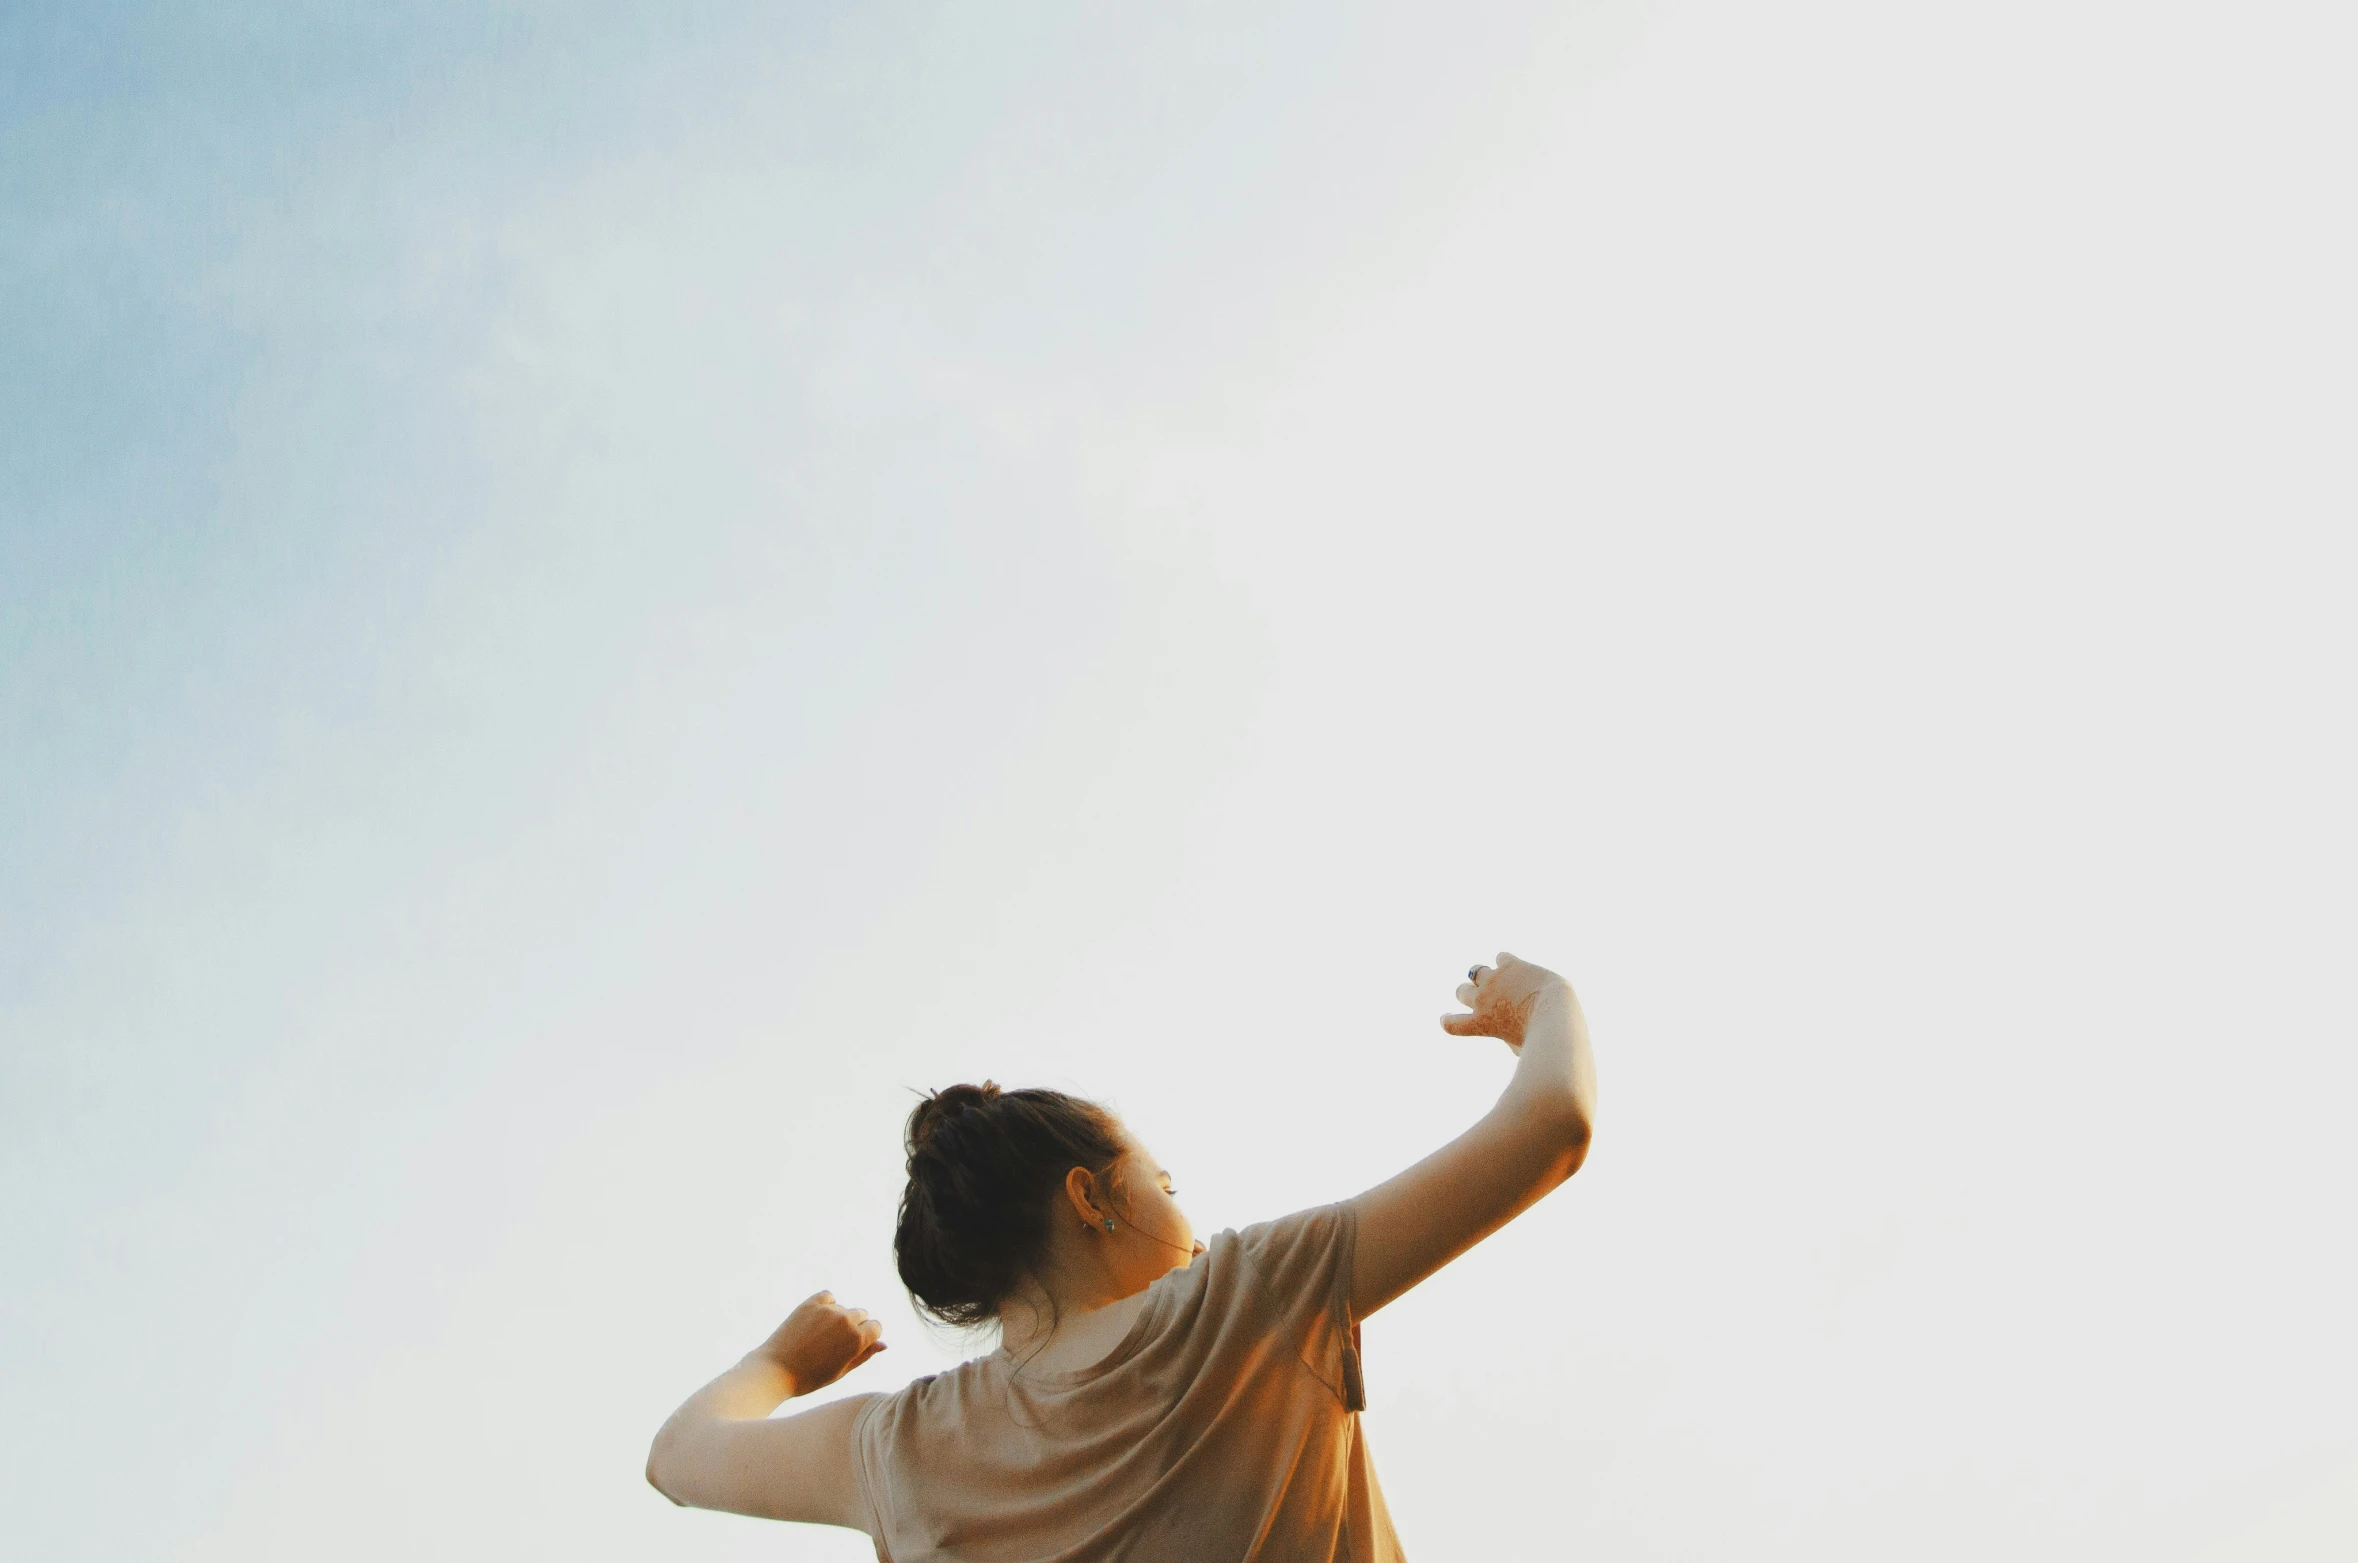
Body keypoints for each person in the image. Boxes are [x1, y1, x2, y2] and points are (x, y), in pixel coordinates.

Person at [646, 953, 1598, 1560]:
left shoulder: (895, 1454)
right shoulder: (1252, 1296)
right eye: (1165, 1186)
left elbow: (680, 1457)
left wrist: (780, 1361)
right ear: (1089, 1196)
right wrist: (1545, 1000)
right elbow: (1552, 1122)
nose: (1185, 1211)